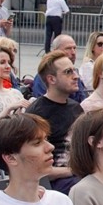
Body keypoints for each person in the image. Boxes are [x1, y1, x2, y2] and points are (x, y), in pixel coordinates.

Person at [26, 49, 84, 182]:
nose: (76, 76)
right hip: (55, 182)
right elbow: (32, 167)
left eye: (74, 70)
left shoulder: (75, 107)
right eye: (68, 72)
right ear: (51, 79)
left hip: (79, 175)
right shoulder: (36, 114)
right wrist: (73, 171)